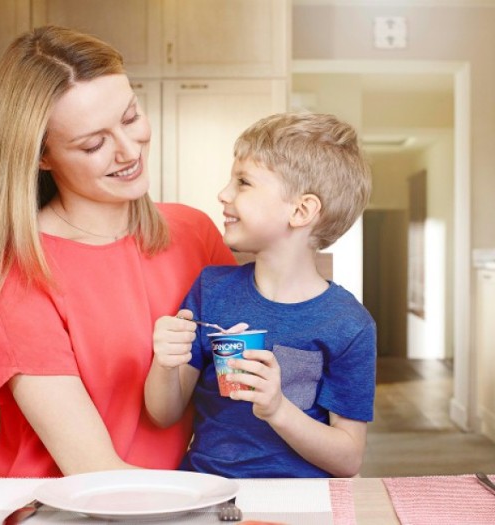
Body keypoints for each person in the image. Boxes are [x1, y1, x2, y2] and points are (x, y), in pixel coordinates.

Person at [0, 25, 235, 478]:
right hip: (67, 511)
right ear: (41, 156)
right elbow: (97, 475)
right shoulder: (19, 274)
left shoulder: (194, 233)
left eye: (129, 118)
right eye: (93, 143)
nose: (128, 151)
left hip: (181, 501)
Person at [144, 112, 376, 478]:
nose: (223, 194)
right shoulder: (211, 290)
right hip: (209, 489)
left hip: (303, 499)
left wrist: (278, 409)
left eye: (244, 182)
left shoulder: (349, 324)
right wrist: (164, 362)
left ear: (301, 210)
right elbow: (164, 413)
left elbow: (348, 458)